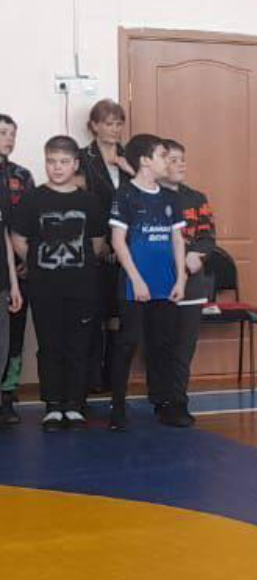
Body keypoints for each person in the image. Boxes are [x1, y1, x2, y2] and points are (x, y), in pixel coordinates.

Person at [9, 136, 108, 430]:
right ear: (45, 162)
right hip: (44, 286)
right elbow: (18, 238)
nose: (57, 167)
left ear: (75, 164)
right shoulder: (33, 198)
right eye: (51, 161)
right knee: (49, 346)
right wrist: (37, 261)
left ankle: (74, 404)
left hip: (82, 286)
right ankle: (52, 405)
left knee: (78, 346)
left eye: (64, 162)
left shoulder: (88, 201)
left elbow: (97, 243)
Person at [108, 134, 187, 432]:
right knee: (128, 343)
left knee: (163, 344)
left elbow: (177, 239)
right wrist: (136, 279)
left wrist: (180, 278)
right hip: (135, 286)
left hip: (166, 284)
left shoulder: (170, 198)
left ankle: (165, 404)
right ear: (144, 160)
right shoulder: (125, 194)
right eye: (163, 156)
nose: (168, 161)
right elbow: (118, 241)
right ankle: (117, 406)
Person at [162, 138, 224, 425]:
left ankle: (178, 401)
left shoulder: (197, 198)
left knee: (184, 348)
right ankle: (160, 399)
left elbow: (208, 237)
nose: (180, 165)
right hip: (160, 283)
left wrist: (196, 255)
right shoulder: (149, 197)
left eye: (182, 160)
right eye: (173, 160)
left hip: (193, 285)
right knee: (161, 345)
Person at [79, 99, 131, 394]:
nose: (114, 129)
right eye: (108, 123)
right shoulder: (82, 157)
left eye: (118, 123)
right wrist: (100, 242)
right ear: (94, 126)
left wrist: (129, 169)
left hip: (126, 247)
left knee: (118, 316)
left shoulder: (130, 157)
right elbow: (82, 204)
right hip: (93, 244)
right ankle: (91, 379)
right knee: (93, 315)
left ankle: (114, 377)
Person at [0, 113, 35, 425]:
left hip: (17, 267)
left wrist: (26, 259)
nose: (8, 139)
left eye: (12, 133)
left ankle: (8, 395)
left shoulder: (22, 176)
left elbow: (31, 220)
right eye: (2, 133)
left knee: (13, 336)